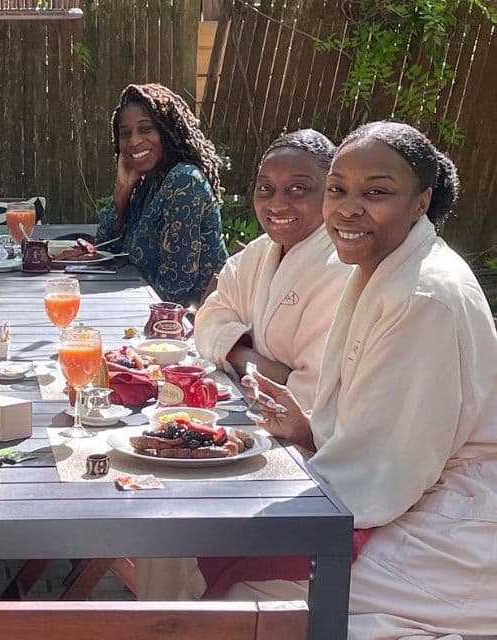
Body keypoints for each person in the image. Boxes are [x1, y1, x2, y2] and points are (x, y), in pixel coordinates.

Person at [242, 122, 497, 639]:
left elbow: (386, 472)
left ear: (421, 201)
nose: (347, 208)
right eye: (338, 189)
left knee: (253, 599)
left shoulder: (421, 296)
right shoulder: (386, 267)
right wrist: (310, 430)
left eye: (376, 192)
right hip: (407, 492)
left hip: (450, 526)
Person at [194, 129, 352, 410]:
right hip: (250, 408)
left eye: (297, 189)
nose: (277, 204)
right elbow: (208, 321)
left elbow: (313, 391)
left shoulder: (342, 268)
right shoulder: (258, 253)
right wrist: (245, 356)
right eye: (265, 188)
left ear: (331, 192)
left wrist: (231, 348)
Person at [95, 83, 228, 304]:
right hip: (148, 306)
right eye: (125, 134)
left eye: (146, 129)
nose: (134, 141)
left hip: (189, 323)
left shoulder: (184, 181)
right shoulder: (150, 182)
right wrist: (121, 194)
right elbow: (104, 250)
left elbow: (176, 287)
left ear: (167, 130)